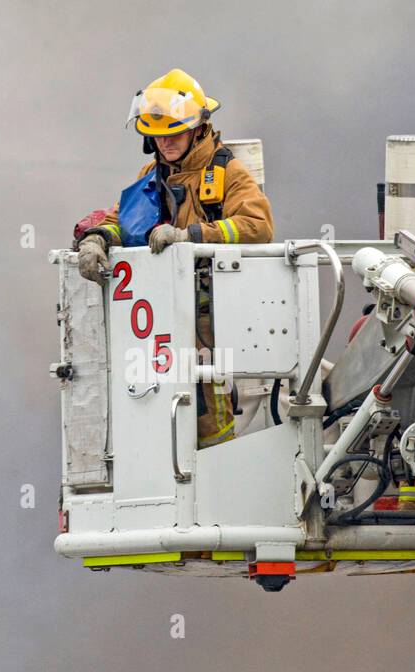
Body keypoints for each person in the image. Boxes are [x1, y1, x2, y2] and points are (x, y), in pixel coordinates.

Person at [73, 68, 273, 448]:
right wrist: (97, 238)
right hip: (160, 320)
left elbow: (258, 225)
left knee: (210, 414)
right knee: (156, 412)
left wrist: (190, 237)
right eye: (158, 136)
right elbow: (126, 220)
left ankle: (221, 482)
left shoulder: (227, 172)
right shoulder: (153, 174)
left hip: (212, 317)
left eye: (174, 133)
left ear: (199, 127)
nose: (165, 143)